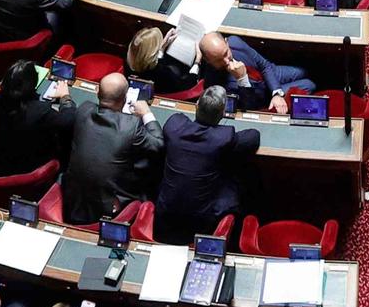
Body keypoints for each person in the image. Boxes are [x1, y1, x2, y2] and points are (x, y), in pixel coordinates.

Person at [157, 89, 261, 240]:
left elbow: (177, 121)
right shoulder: (223, 137)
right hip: (200, 221)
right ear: (223, 112)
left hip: (166, 211)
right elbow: (253, 136)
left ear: (197, 105)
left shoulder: (175, 125)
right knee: (239, 178)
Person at [61, 72, 163, 223]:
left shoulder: (84, 110)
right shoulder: (131, 125)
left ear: (97, 93)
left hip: (73, 201)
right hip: (109, 208)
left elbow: (69, 112)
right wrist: (146, 113)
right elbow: (158, 144)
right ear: (125, 99)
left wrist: (65, 98)